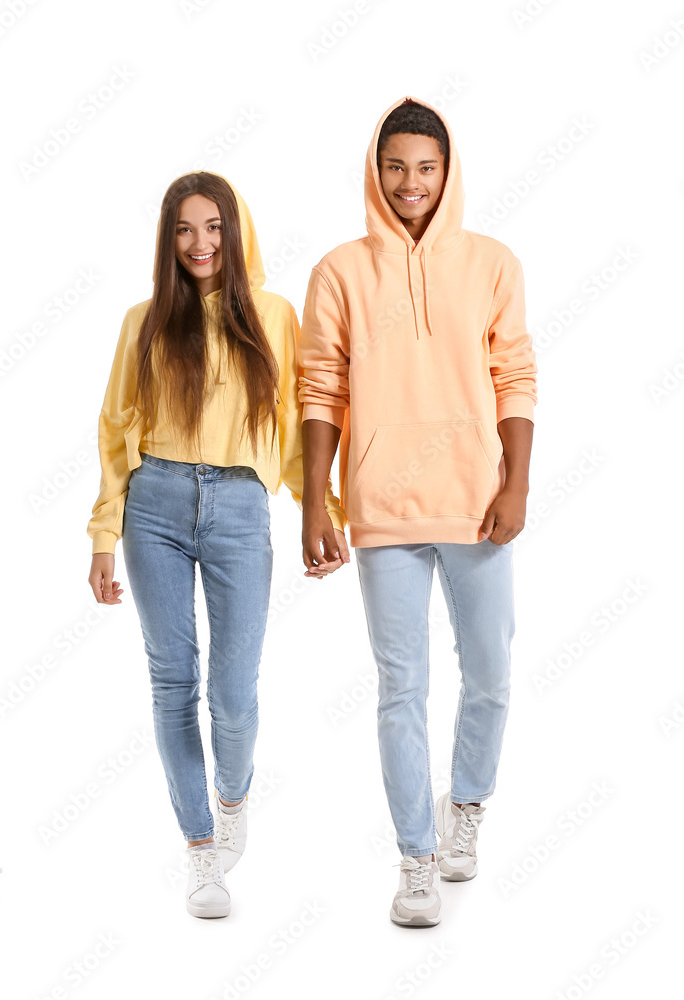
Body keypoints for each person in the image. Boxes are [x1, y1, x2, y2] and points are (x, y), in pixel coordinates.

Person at [298, 96, 537, 926]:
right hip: (383, 506)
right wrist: (313, 504)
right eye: (395, 167)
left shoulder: (491, 263)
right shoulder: (338, 271)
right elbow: (320, 388)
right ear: (376, 170)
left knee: (493, 677)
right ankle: (414, 859)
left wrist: (516, 481)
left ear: (448, 172)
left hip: (476, 503)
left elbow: (515, 375)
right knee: (401, 687)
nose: (410, 184)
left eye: (425, 169)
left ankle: (463, 807)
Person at [86, 171, 346, 919]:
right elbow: (113, 432)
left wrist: (320, 512)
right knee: (173, 684)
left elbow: (295, 429)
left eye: (213, 227)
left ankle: (231, 798)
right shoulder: (143, 321)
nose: (200, 243)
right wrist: (105, 534)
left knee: (232, 694)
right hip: (155, 505)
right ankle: (200, 852)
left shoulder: (273, 314)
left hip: (239, 506)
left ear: (236, 231)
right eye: (183, 229)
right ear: (168, 241)